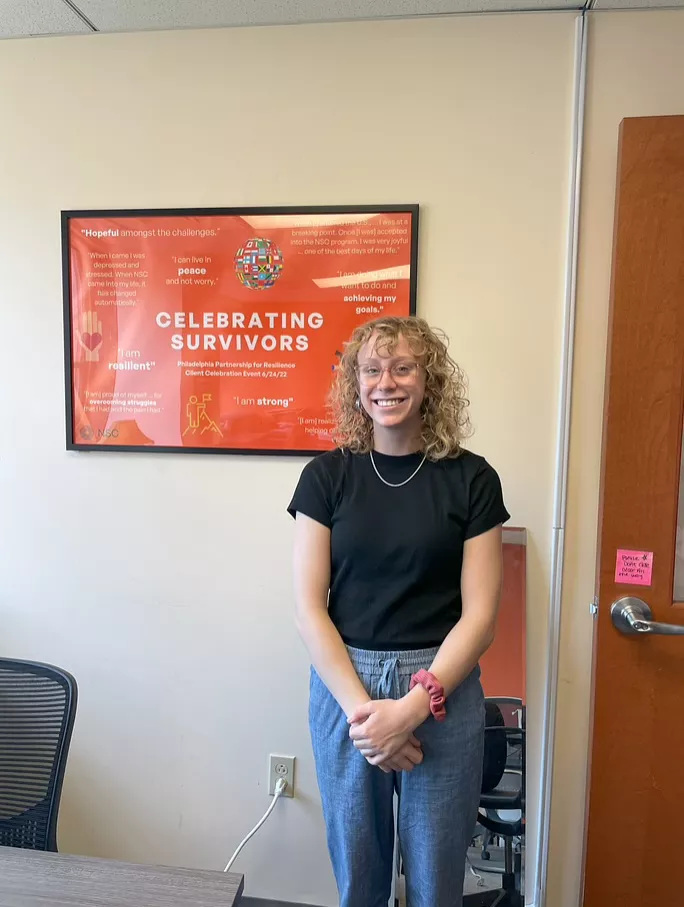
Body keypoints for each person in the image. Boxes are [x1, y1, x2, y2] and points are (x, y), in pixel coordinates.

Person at [288, 315, 509, 907]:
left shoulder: (472, 479)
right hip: (346, 688)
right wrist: (370, 719)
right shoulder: (326, 477)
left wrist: (411, 709)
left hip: (442, 686)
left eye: (403, 366)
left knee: (437, 879)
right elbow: (311, 609)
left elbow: (480, 617)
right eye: (371, 369)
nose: (386, 382)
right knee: (359, 875)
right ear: (355, 384)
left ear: (428, 380)